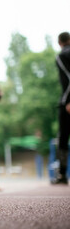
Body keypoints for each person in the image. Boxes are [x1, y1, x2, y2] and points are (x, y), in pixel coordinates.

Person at [52, 32, 70, 185]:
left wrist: (68, 100)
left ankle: (62, 175)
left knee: (63, 137)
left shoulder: (62, 56)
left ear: (60, 42)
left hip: (68, 102)